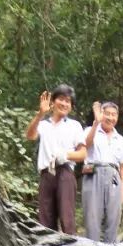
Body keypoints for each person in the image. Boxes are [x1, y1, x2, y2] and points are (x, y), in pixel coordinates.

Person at [25, 84, 86, 232]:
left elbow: (83, 154)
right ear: (53, 101)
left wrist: (65, 155)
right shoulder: (44, 125)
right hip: (46, 174)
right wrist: (40, 114)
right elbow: (30, 135)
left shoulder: (74, 126)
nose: (64, 104)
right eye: (61, 99)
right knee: (45, 218)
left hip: (65, 173)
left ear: (71, 106)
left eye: (68, 101)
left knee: (67, 217)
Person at [81, 100, 123, 243]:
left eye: (114, 114)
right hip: (93, 174)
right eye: (107, 114)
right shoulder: (90, 130)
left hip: (114, 177)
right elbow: (85, 146)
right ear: (101, 114)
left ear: (117, 117)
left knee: (113, 218)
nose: (110, 117)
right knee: (92, 218)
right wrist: (96, 123)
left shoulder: (120, 139)